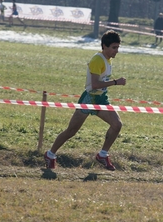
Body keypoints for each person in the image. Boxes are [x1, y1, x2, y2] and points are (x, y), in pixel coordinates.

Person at [44, 30, 127, 171]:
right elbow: (94, 84)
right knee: (71, 131)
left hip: (101, 98)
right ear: (104, 46)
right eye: (114, 47)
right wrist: (115, 82)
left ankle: (102, 155)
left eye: (118, 47)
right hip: (89, 98)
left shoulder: (108, 60)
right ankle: (50, 154)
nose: (116, 51)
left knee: (117, 124)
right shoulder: (97, 60)